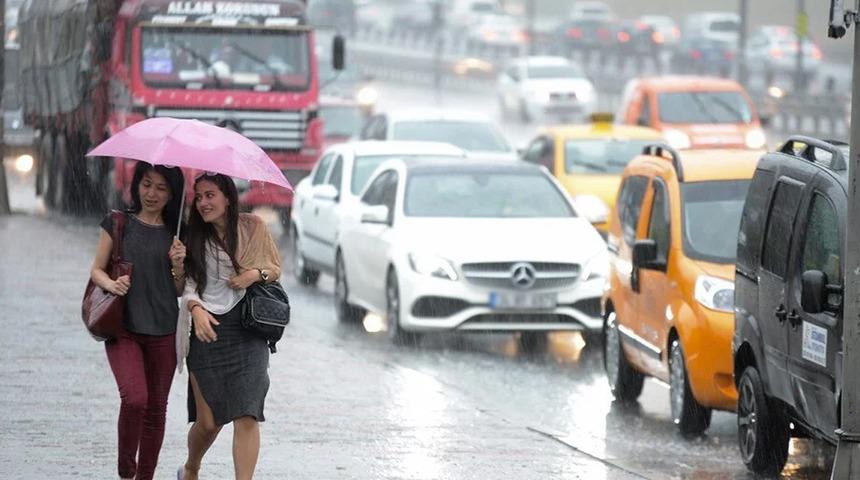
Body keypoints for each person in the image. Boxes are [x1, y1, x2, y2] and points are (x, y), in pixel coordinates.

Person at [177, 173, 281, 480]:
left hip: (247, 328)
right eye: (199, 197)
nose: (203, 203)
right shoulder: (192, 236)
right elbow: (186, 287)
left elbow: (274, 269)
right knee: (209, 422)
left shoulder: (253, 227)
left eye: (210, 195)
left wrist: (252, 275)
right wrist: (192, 303)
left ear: (227, 198)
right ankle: (192, 467)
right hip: (207, 326)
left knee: (247, 412)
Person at [89, 161, 187, 480]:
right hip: (124, 328)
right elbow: (97, 270)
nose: (151, 193)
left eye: (161, 187)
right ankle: (126, 470)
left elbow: (178, 289)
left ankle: (145, 476)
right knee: (135, 399)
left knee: (156, 409)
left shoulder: (177, 235)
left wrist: (178, 264)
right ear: (136, 185)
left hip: (164, 331)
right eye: (146, 184)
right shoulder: (118, 223)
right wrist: (111, 284)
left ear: (172, 194)